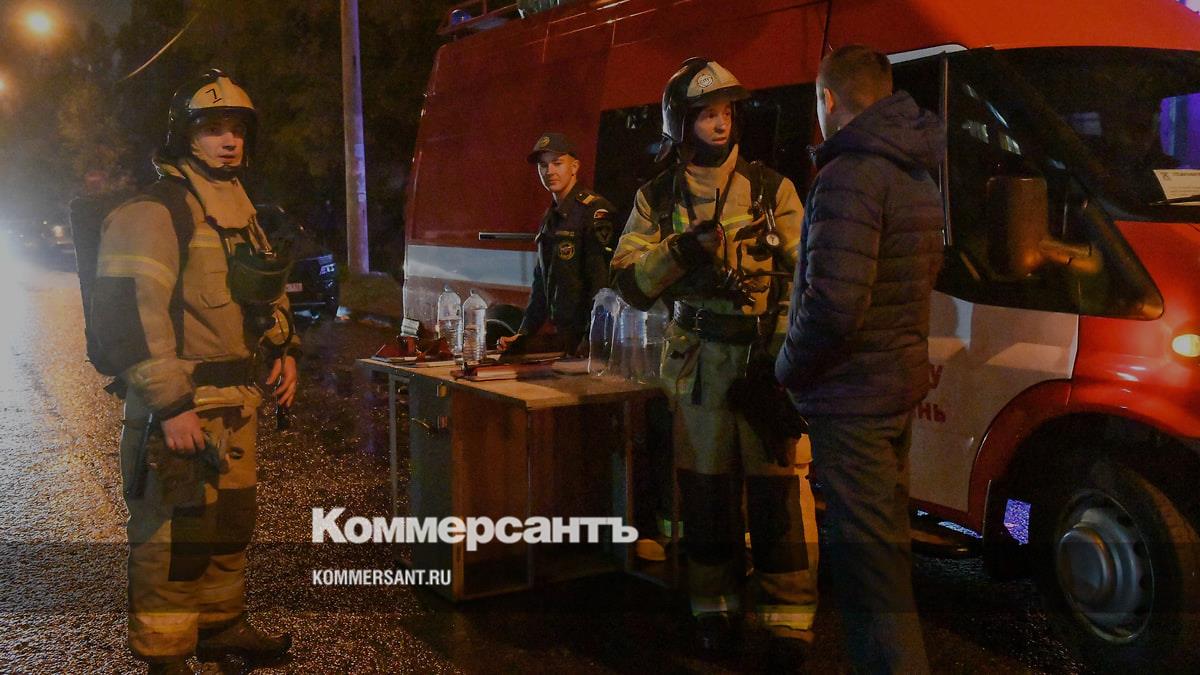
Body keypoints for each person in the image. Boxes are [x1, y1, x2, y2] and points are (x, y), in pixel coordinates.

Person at [93, 69, 300, 674]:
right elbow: (131, 317)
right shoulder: (155, 211)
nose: (229, 141)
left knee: (229, 526)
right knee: (174, 540)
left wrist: (285, 350)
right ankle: (166, 658)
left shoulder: (241, 210)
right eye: (212, 128)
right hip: (184, 408)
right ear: (185, 136)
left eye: (236, 129)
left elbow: (265, 292)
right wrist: (171, 405)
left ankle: (220, 625)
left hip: (237, 401)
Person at [611, 58, 818, 655]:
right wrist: (681, 251)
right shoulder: (657, 197)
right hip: (697, 364)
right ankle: (713, 606)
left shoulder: (772, 189)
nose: (721, 124)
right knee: (704, 493)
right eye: (706, 115)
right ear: (681, 124)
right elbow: (627, 281)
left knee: (779, 491)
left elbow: (806, 278)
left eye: (726, 113)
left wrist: (784, 364)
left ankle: (789, 616)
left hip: (763, 363)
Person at [775, 45, 945, 673]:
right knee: (887, 561)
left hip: (852, 401)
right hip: (894, 387)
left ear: (827, 99)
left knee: (871, 581)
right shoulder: (915, 170)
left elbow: (833, 306)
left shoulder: (849, 174)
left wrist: (786, 370)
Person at [497, 132, 617, 356]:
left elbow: (602, 285)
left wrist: (593, 341)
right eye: (543, 165)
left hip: (588, 339)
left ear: (574, 167)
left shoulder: (594, 212)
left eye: (557, 163)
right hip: (565, 338)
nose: (549, 171)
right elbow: (541, 284)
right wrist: (524, 333)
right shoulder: (550, 218)